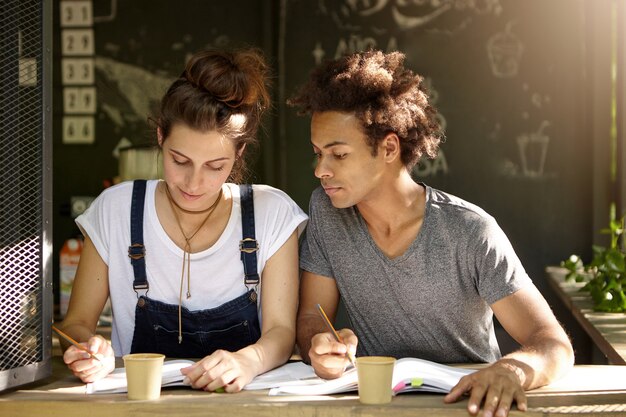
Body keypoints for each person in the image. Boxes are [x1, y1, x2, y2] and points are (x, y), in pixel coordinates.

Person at [287, 50, 573, 417]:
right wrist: (319, 346)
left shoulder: (470, 231)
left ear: (389, 147)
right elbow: (312, 318)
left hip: (471, 407)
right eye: (317, 153)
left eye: (338, 155)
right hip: (380, 408)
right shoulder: (327, 213)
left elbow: (553, 344)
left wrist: (510, 370)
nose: (320, 170)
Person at [59, 48, 308, 393]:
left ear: (239, 154)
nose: (193, 183)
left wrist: (248, 361)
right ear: (161, 137)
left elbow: (281, 333)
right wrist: (89, 349)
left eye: (215, 167)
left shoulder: (270, 214)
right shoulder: (116, 210)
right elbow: (76, 323)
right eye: (179, 160)